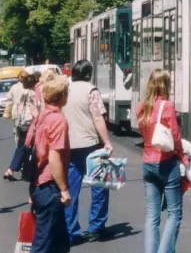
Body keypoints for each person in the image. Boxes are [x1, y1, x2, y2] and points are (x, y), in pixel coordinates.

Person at [63, 60, 113, 244]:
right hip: (91, 144)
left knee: (71, 189)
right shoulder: (91, 91)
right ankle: (96, 227)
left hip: (69, 144)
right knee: (99, 186)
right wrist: (107, 142)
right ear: (89, 73)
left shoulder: (65, 89)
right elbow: (98, 118)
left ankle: (71, 231)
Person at [136, 70, 186, 253]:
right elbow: (175, 136)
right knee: (174, 213)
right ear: (165, 85)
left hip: (147, 163)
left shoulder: (141, 106)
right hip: (166, 162)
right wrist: (184, 156)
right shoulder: (167, 106)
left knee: (152, 215)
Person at [27, 77, 72, 253]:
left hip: (38, 183)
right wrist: (63, 189)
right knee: (43, 243)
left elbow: (30, 149)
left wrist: (32, 188)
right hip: (50, 186)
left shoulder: (40, 117)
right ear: (63, 96)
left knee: (59, 243)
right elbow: (54, 157)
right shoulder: (58, 120)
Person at [4, 72, 40, 181]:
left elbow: (9, 99)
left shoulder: (16, 88)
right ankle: (17, 170)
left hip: (19, 119)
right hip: (29, 121)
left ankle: (19, 170)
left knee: (22, 145)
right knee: (26, 146)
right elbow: (36, 107)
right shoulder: (32, 91)